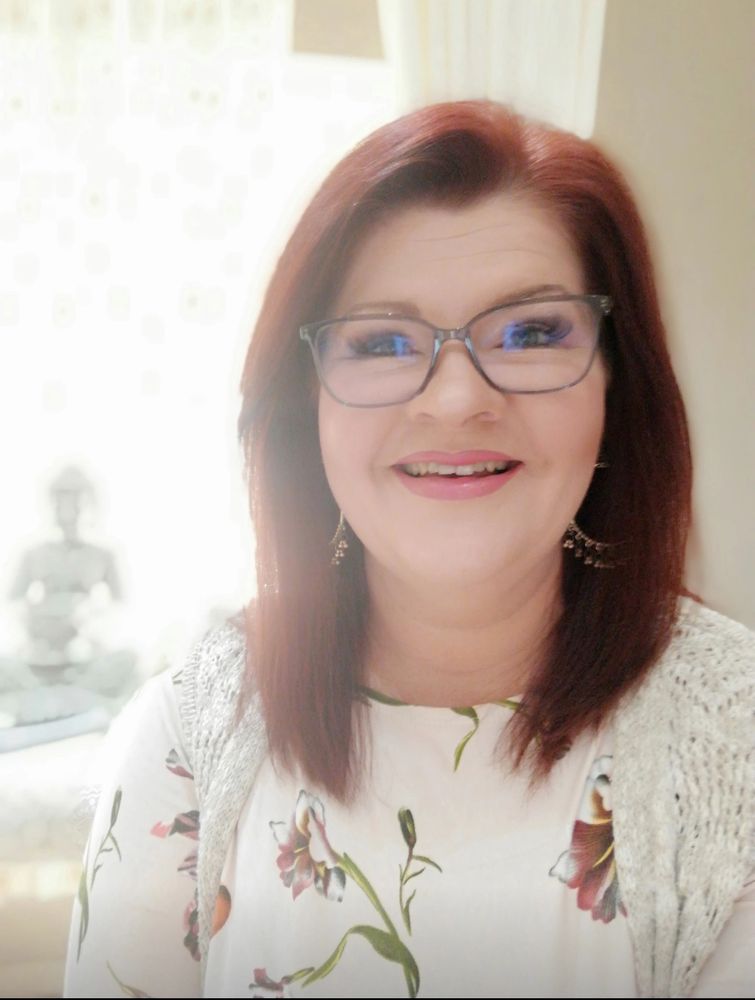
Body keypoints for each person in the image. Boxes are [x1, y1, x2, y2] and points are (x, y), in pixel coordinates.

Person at [64, 100, 754, 999]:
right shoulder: (186, 739)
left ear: (616, 385)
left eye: (531, 332)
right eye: (383, 342)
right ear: (304, 406)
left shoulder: (739, 743)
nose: (455, 400)